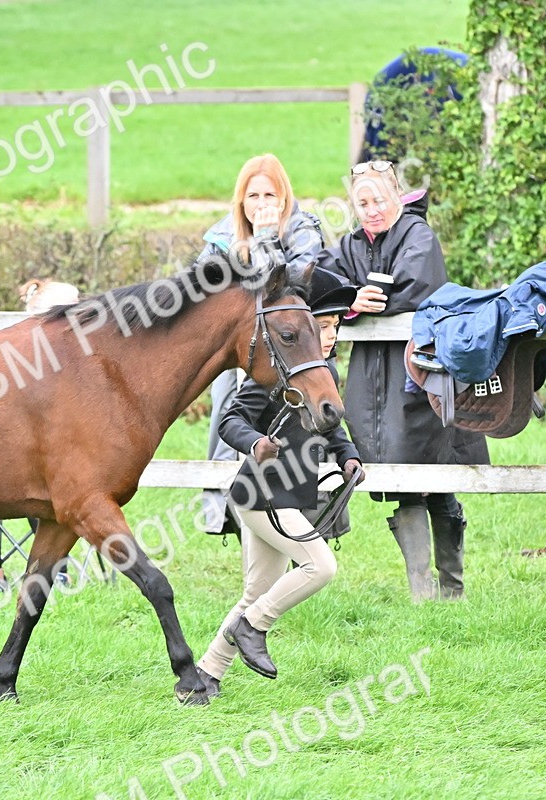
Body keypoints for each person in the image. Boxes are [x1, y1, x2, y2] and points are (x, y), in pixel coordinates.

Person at [317, 161, 488, 601]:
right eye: (363, 202)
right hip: (371, 377)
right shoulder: (350, 244)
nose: (372, 209)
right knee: (397, 473)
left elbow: (414, 289)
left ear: (398, 195)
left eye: (379, 199)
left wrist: (371, 298)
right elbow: (322, 281)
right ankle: (422, 593)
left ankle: (454, 589)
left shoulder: (418, 236)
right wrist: (352, 300)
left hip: (421, 373)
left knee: (434, 471)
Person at [195, 269, 364, 694]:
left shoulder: (324, 373)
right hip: (261, 496)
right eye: (322, 328)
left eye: (334, 328)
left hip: (290, 495)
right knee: (320, 566)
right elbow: (231, 420)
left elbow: (332, 427)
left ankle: (204, 676)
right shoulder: (273, 374)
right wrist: (254, 444)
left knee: (257, 590)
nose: (329, 336)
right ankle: (253, 628)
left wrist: (349, 457)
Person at [197, 153, 325, 534]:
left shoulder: (303, 231)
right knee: (228, 416)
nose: (262, 204)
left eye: (270, 195)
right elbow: (201, 290)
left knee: (288, 428)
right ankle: (226, 514)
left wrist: (267, 240)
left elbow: (290, 288)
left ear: (283, 197)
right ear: (241, 200)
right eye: (253, 196)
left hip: (286, 350)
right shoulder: (223, 236)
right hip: (234, 349)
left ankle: (292, 517)